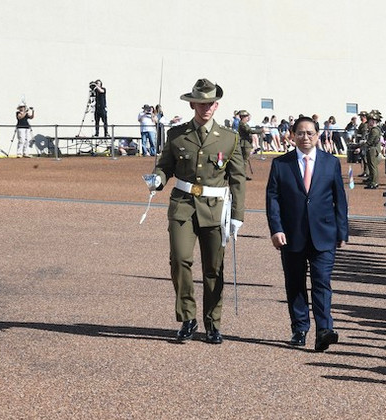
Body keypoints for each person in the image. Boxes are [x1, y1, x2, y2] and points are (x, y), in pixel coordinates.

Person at [149, 78, 246, 344]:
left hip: (215, 209)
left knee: (213, 268)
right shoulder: (177, 134)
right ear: (193, 104)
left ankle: (213, 322)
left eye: (211, 103)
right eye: (201, 103)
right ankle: (188, 317)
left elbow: (237, 179)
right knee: (179, 260)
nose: (206, 108)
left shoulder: (230, 139)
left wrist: (238, 215)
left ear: (216, 105)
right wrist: (158, 178)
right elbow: (165, 165)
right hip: (182, 206)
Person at [266, 116, 349, 351]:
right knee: (295, 283)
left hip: (324, 233)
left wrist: (342, 230)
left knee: (322, 282)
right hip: (291, 234)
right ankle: (300, 328)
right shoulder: (281, 164)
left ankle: (324, 329)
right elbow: (272, 199)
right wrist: (276, 229)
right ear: (292, 135)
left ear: (318, 135)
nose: (305, 137)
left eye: (310, 133)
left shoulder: (330, 162)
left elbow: (339, 199)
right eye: (300, 133)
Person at [237, 110, 259, 180]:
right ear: (242, 117)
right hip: (245, 144)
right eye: (246, 116)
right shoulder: (242, 124)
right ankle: (243, 175)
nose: (247, 118)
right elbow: (249, 131)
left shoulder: (244, 124)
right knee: (244, 160)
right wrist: (261, 130)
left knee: (245, 160)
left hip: (247, 143)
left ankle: (243, 174)